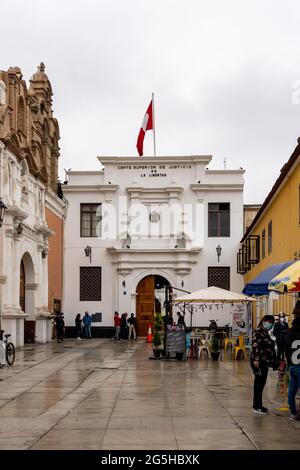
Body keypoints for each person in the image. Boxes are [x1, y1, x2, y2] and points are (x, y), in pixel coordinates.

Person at [250, 315, 276, 415]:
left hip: (264, 362)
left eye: (272, 323)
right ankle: (256, 406)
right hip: (259, 362)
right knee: (258, 384)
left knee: (261, 384)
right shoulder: (258, 332)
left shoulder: (265, 332)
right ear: (264, 321)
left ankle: (259, 405)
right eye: (269, 322)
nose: (270, 324)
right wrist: (256, 360)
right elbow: (255, 346)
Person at [284, 316, 300, 421]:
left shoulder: (288, 334)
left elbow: (286, 349)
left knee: (292, 391)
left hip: (292, 365)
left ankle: (293, 413)